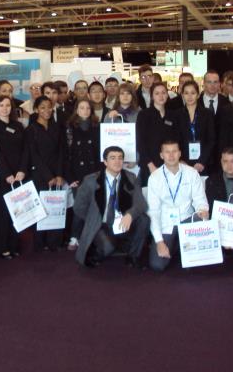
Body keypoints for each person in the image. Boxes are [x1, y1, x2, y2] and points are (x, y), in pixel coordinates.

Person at [73, 146, 149, 268]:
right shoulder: (91, 180)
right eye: (112, 158)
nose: (117, 161)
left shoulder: (130, 177)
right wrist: (93, 219)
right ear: (105, 162)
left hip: (122, 222)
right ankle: (95, 249)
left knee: (144, 220)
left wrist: (130, 215)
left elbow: (141, 204)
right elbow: (78, 207)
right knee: (108, 248)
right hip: (101, 225)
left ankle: (133, 257)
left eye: (120, 158)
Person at [147, 140, 209, 272]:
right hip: (166, 224)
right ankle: (176, 245)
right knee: (157, 265)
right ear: (161, 155)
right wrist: (159, 242)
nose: (171, 155)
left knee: (192, 266)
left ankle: (182, 246)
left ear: (180, 153)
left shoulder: (192, 173)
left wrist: (203, 211)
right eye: (167, 152)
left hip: (187, 221)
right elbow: (153, 211)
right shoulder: (154, 177)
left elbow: (200, 200)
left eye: (174, 151)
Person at [0, 96, 27, 259]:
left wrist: (22, 170)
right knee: (2, 213)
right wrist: (6, 174)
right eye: (1, 105)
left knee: (17, 212)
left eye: (8, 105)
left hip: (19, 175)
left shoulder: (18, 126)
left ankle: (14, 245)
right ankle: (1, 247)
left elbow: (26, 149)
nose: (5, 108)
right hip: (2, 177)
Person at [25, 96, 65, 251]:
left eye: (49, 107)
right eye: (42, 107)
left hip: (57, 174)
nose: (47, 110)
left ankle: (54, 242)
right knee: (41, 209)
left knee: (55, 208)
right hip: (40, 175)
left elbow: (61, 152)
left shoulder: (56, 128)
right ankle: (40, 243)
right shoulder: (31, 130)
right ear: (36, 110)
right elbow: (33, 156)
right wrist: (48, 176)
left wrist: (59, 174)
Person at [64, 99, 101, 250]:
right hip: (77, 175)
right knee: (79, 207)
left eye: (88, 108)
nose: (85, 111)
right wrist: (70, 178)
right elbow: (65, 155)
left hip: (94, 173)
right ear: (76, 110)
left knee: (94, 206)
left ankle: (91, 237)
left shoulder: (97, 127)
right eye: (82, 108)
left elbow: (100, 152)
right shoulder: (69, 128)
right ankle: (74, 237)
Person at [136, 82, 179, 186]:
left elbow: (177, 139)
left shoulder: (173, 115)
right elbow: (140, 141)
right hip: (150, 165)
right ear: (152, 96)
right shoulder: (144, 115)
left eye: (163, 93)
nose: (161, 96)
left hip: (170, 164)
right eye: (157, 93)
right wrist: (150, 164)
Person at [174, 81, 215, 175]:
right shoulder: (176, 115)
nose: (189, 96)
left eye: (193, 93)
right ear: (182, 95)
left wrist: (202, 161)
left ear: (198, 94)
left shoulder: (207, 114)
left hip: (204, 162)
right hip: (183, 162)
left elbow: (211, 140)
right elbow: (175, 139)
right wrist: (180, 159)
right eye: (186, 93)